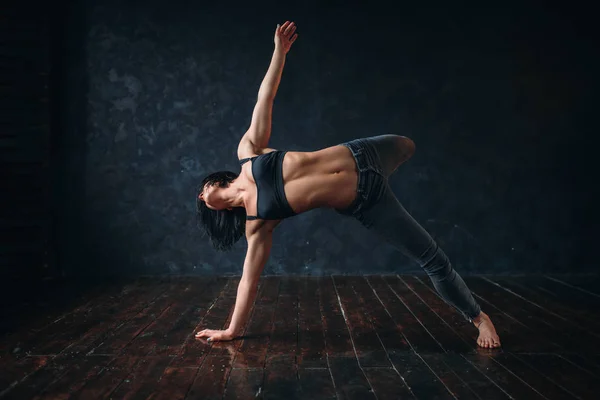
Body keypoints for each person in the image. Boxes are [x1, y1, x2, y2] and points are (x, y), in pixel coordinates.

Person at [195, 21, 501, 348]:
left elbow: (265, 97)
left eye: (201, 190)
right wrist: (230, 330)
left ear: (213, 181)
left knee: (409, 144)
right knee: (433, 259)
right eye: (200, 201)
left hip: (364, 153)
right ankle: (480, 318)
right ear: (218, 213)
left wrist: (279, 53)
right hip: (368, 200)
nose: (202, 196)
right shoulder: (257, 225)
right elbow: (248, 282)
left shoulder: (248, 152)